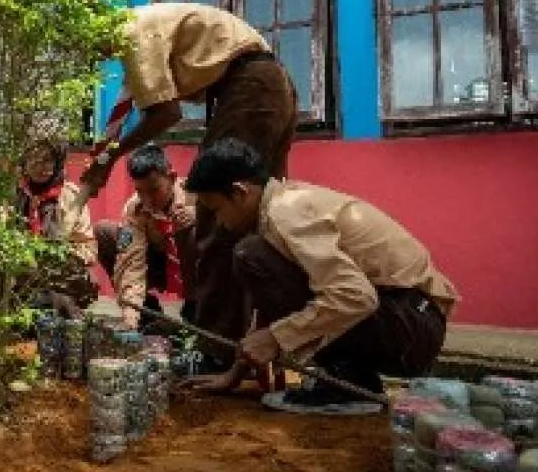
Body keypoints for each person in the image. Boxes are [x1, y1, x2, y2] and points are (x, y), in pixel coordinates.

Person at [79, 2, 298, 359]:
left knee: (220, 210)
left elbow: (166, 113)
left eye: (90, 46)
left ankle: (213, 350)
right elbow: (131, 259)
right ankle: (252, 343)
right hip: (267, 84)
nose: (95, 56)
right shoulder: (145, 27)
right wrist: (133, 315)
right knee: (261, 217)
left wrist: (110, 156)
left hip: (250, 86)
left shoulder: (133, 32)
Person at [181, 138, 458, 414]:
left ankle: (346, 381)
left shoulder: (286, 214)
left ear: (240, 192)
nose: (219, 222)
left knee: (249, 255)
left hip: (410, 328)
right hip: (407, 320)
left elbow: (355, 296)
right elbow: (271, 307)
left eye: (216, 209)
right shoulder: (279, 209)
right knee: (254, 256)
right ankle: (347, 376)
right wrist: (236, 371)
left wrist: (276, 338)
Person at [94, 144, 195, 331]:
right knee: (103, 232)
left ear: (172, 178)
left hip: (196, 271)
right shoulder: (135, 208)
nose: (147, 199)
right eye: (140, 191)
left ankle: (196, 312)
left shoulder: (196, 195)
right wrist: (131, 315)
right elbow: (131, 261)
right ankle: (147, 314)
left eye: (155, 190)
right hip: (159, 267)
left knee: (191, 231)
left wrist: (199, 217)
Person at [16, 138, 98, 317]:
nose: (44, 167)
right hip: (21, 273)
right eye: (36, 160)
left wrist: (57, 255)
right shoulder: (13, 195)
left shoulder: (71, 196)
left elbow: (88, 248)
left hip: (59, 273)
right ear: (25, 162)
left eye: (49, 160)